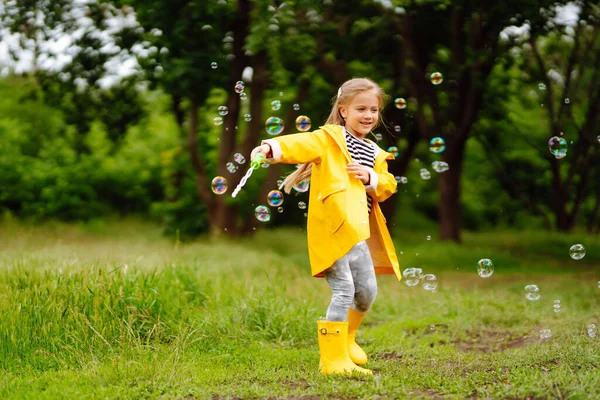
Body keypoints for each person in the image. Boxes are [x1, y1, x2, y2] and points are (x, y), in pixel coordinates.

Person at [250, 77, 401, 376]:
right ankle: (332, 361)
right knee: (344, 289)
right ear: (343, 111)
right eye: (361, 109)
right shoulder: (330, 139)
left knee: (367, 292)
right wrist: (270, 148)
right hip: (331, 231)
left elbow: (387, 186)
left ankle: (346, 341)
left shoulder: (374, 153)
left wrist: (370, 177)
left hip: (358, 235)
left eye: (373, 109)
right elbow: (300, 143)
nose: (368, 115)